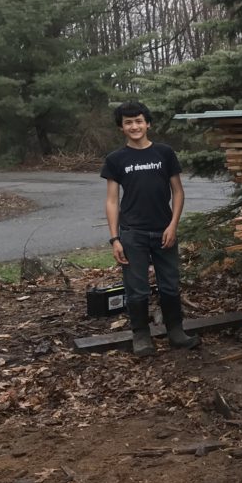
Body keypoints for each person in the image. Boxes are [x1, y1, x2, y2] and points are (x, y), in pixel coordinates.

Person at [101, 101, 199, 356]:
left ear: (148, 124)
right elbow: (112, 201)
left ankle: (176, 332)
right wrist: (115, 238)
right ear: (121, 127)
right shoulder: (115, 159)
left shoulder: (164, 153)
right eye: (128, 122)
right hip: (132, 234)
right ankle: (141, 335)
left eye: (139, 121)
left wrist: (173, 225)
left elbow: (178, 192)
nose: (134, 126)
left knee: (170, 284)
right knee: (136, 288)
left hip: (164, 231)